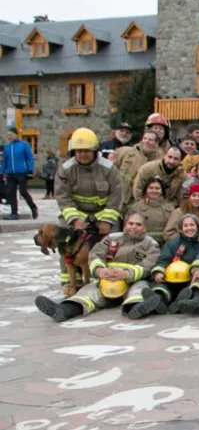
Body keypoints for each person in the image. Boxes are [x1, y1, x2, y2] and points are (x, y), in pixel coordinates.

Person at [35, 213, 160, 322]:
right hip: (105, 280)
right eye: (131, 223)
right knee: (88, 292)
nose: (134, 227)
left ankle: (136, 308)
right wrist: (99, 270)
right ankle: (63, 310)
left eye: (138, 225)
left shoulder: (150, 243)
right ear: (125, 225)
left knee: (139, 290)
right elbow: (95, 254)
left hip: (132, 281)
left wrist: (126, 274)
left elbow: (148, 264)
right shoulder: (112, 238)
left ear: (144, 228)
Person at [55, 128, 124, 288]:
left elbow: (116, 195)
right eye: (78, 151)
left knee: (115, 239)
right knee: (62, 234)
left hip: (104, 213)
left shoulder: (108, 168)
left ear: (95, 150)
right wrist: (75, 220)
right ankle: (69, 280)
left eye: (86, 150)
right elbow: (63, 197)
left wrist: (107, 220)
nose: (82, 154)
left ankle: (111, 275)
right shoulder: (65, 169)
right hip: (77, 214)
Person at [148, 213, 199, 314]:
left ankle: (180, 302)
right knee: (161, 287)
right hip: (172, 279)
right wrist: (158, 272)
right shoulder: (173, 243)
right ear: (181, 228)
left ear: (198, 227)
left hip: (192, 278)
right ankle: (158, 301)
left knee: (195, 287)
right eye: (185, 226)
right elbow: (163, 259)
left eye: (192, 225)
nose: (189, 228)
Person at [114, 129, 163, 209]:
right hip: (119, 198)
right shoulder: (125, 151)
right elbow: (111, 170)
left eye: (150, 140)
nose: (146, 141)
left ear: (156, 143)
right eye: (145, 138)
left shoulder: (159, 161)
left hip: (139, 203)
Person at [3, 126, 38, 220]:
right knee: (11, 193)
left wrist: (30, 169)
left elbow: (30, 158)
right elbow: (4, 161)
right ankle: (14, 213)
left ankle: (33, 208)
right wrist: (1, 172)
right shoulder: (7, 147)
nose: (9, 137)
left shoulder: (24, 144)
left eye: (11, 135)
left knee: (23, 192)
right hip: (10, 173)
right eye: (8, 135)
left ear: (15, 135)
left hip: (21, 172)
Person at [128, 177, 175, 244]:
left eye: (157, 188)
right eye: (151, 188)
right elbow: (127, 230)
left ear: (162, 191)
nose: (154, 190)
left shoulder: (170, 208)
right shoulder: (135, 208)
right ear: (146, 190)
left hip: (164, 246)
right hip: (140, 245)